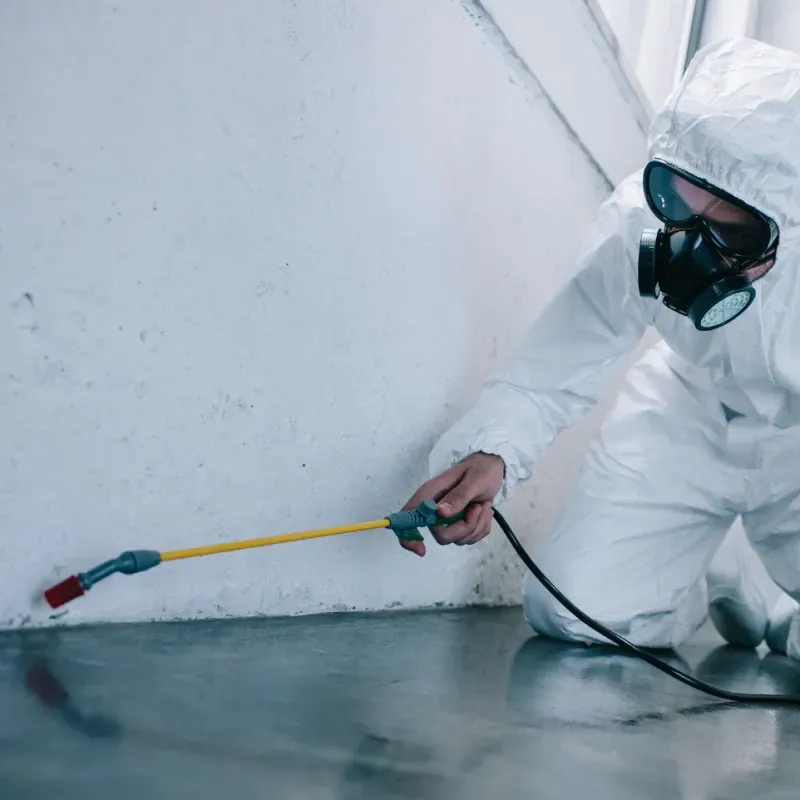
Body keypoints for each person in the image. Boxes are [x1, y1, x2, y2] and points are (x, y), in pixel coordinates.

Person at [400, 38, 800, 658]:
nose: (689, 249)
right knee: (575, 614)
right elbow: (552, 367)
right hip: (687, 413)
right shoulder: (636, 223)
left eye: (729, 232)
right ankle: (700, 563)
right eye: (678, 198)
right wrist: (494, 455)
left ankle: (763, 592)